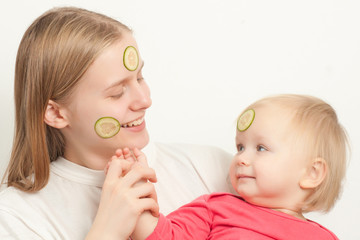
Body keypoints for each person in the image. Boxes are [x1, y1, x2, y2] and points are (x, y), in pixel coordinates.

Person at [0, 7, 233, 240]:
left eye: (140, 78)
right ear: (56, 114)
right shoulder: (15, 217)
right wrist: (107, 231)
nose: (145, 100)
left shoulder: (216, 169)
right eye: (117, 93)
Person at [118, 94, 348, 240]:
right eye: (240, 147)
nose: (241, 159)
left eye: (260, 148)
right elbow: (164, 237)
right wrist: (136, 186)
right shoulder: (216, 207)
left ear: (312, 173)